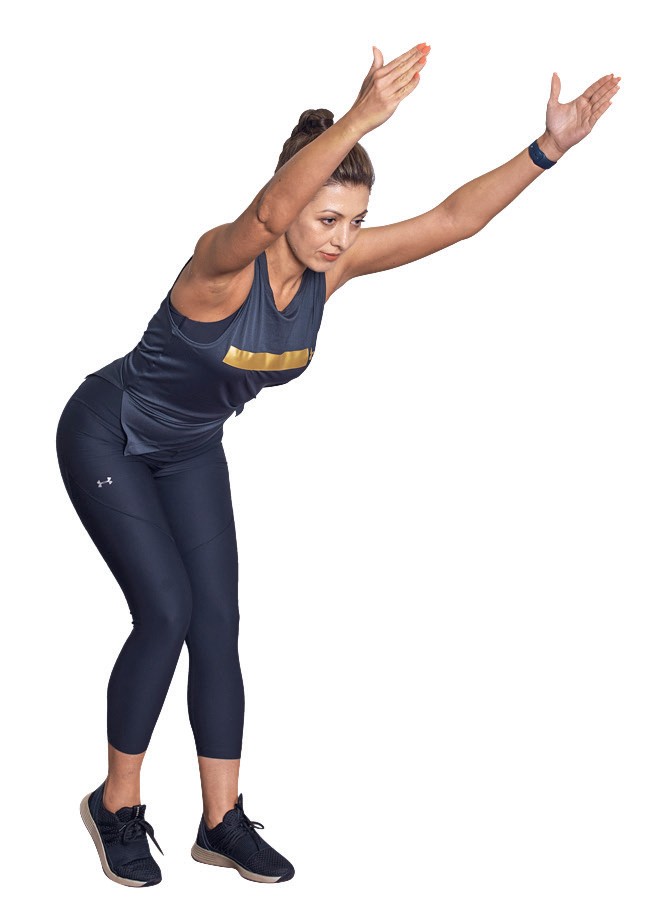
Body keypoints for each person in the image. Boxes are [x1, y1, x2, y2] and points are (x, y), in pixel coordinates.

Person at [55, 41, 620, 888]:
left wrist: (548, 149)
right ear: (290, 203)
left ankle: (221, 821)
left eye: (354, 220)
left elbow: (453, 219)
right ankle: (116, 804)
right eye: (327, 219)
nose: (342, 238)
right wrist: (360, 116)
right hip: (108, 433)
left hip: (191, 448)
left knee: (219, 622)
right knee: (166, 611)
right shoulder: (222, 262)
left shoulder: (333, 269)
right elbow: (262, 212)